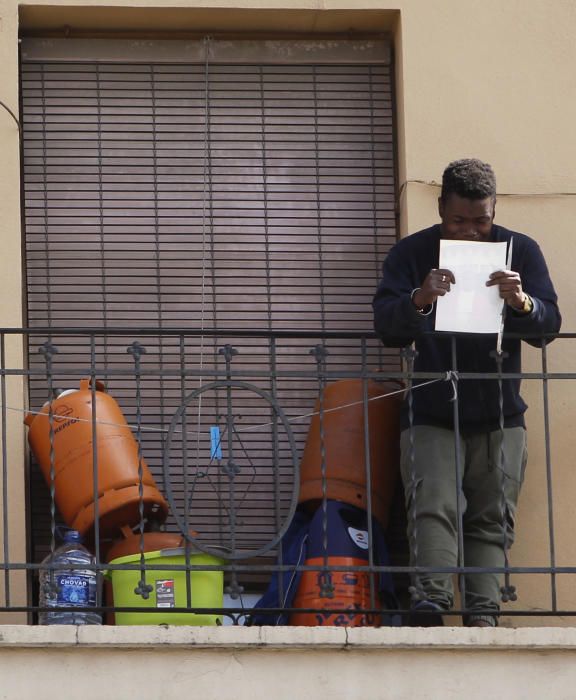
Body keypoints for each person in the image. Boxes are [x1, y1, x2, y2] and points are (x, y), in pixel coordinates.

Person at [372, 158, 561, 627]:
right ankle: (431, 604)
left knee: (494, 515)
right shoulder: (412, 252)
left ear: (493, 209)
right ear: (440, 210)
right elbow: (386, 326)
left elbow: (548, 325)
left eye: (482, 221)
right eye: (459, 221)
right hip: (432, 408)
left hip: (500, 411)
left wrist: (521, 302)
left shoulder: (521, 249)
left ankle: (483, 613)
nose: (472, 232)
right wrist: (420, 298)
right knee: (433, 505)